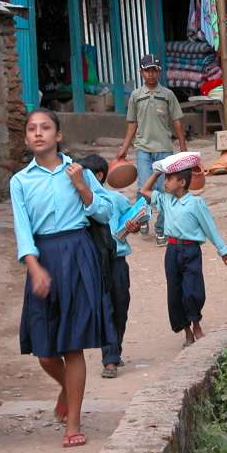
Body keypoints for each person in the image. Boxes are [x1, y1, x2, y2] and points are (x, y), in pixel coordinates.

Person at [10, 108, 115, 448]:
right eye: (32, 129)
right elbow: (23, 229)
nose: (38, 133)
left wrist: (82, 186)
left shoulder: (79, 171)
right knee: (44, 350)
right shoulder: (20, 181)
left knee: (72, 346)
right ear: (26, 138)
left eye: (45, 128)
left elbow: (105, 211)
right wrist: (34, 267)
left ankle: (73, 423)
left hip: (78, 253)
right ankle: (66, 389)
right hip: (43, 256)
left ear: (58, 135)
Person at [139, 165, 227, 346]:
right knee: (175, 293)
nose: (165, 183)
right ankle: (187, 331)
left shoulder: (196, 203)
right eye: (165, 179)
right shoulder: (166, 200)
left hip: (191, 251)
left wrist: (223, 251)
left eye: (169, 179)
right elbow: (144, 190)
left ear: (182, 182)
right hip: (172, 251)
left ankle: (197, 324)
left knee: (193, 291)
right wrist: (157, 172)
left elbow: (209, 227)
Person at [116, 54, 187, 247]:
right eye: (147, 70)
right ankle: (143, 219)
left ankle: (161, 229)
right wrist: (124, 148)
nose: (151, 74)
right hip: (143, 150)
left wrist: (182, 146)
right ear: (141, 73)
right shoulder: (136, 96)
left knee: (167, 190)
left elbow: (177, 122)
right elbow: (132, 124)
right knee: (143, 188)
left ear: (159, 72)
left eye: (154, 70)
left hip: (164, 149)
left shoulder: (168, 95)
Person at [78, 154, 133, 380]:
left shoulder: (116, 199)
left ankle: (115, 348)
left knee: (120, 305)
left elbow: (135, 218)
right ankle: (109, 359)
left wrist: (134, 225)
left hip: (118, 260)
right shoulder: (79, 204)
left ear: (97, 176)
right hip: (94, 263)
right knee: (104, 308)